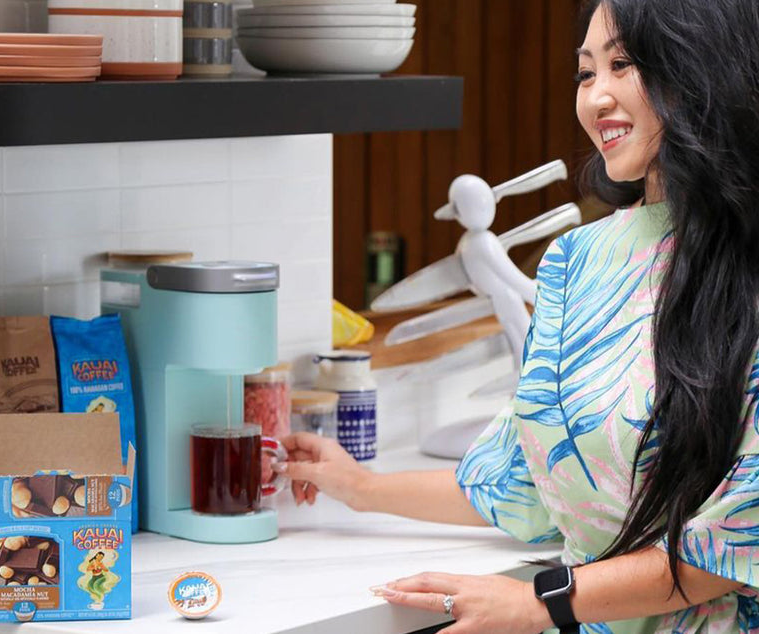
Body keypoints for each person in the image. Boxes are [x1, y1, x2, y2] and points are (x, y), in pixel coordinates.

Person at [277, 0, 759, 631]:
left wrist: (542, 601)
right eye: (586, 73)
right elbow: (529, 478)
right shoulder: (575, 262)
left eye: (624, 65)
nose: (596, 99)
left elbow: (736, 544)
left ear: (701, 69)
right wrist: (361, 487)